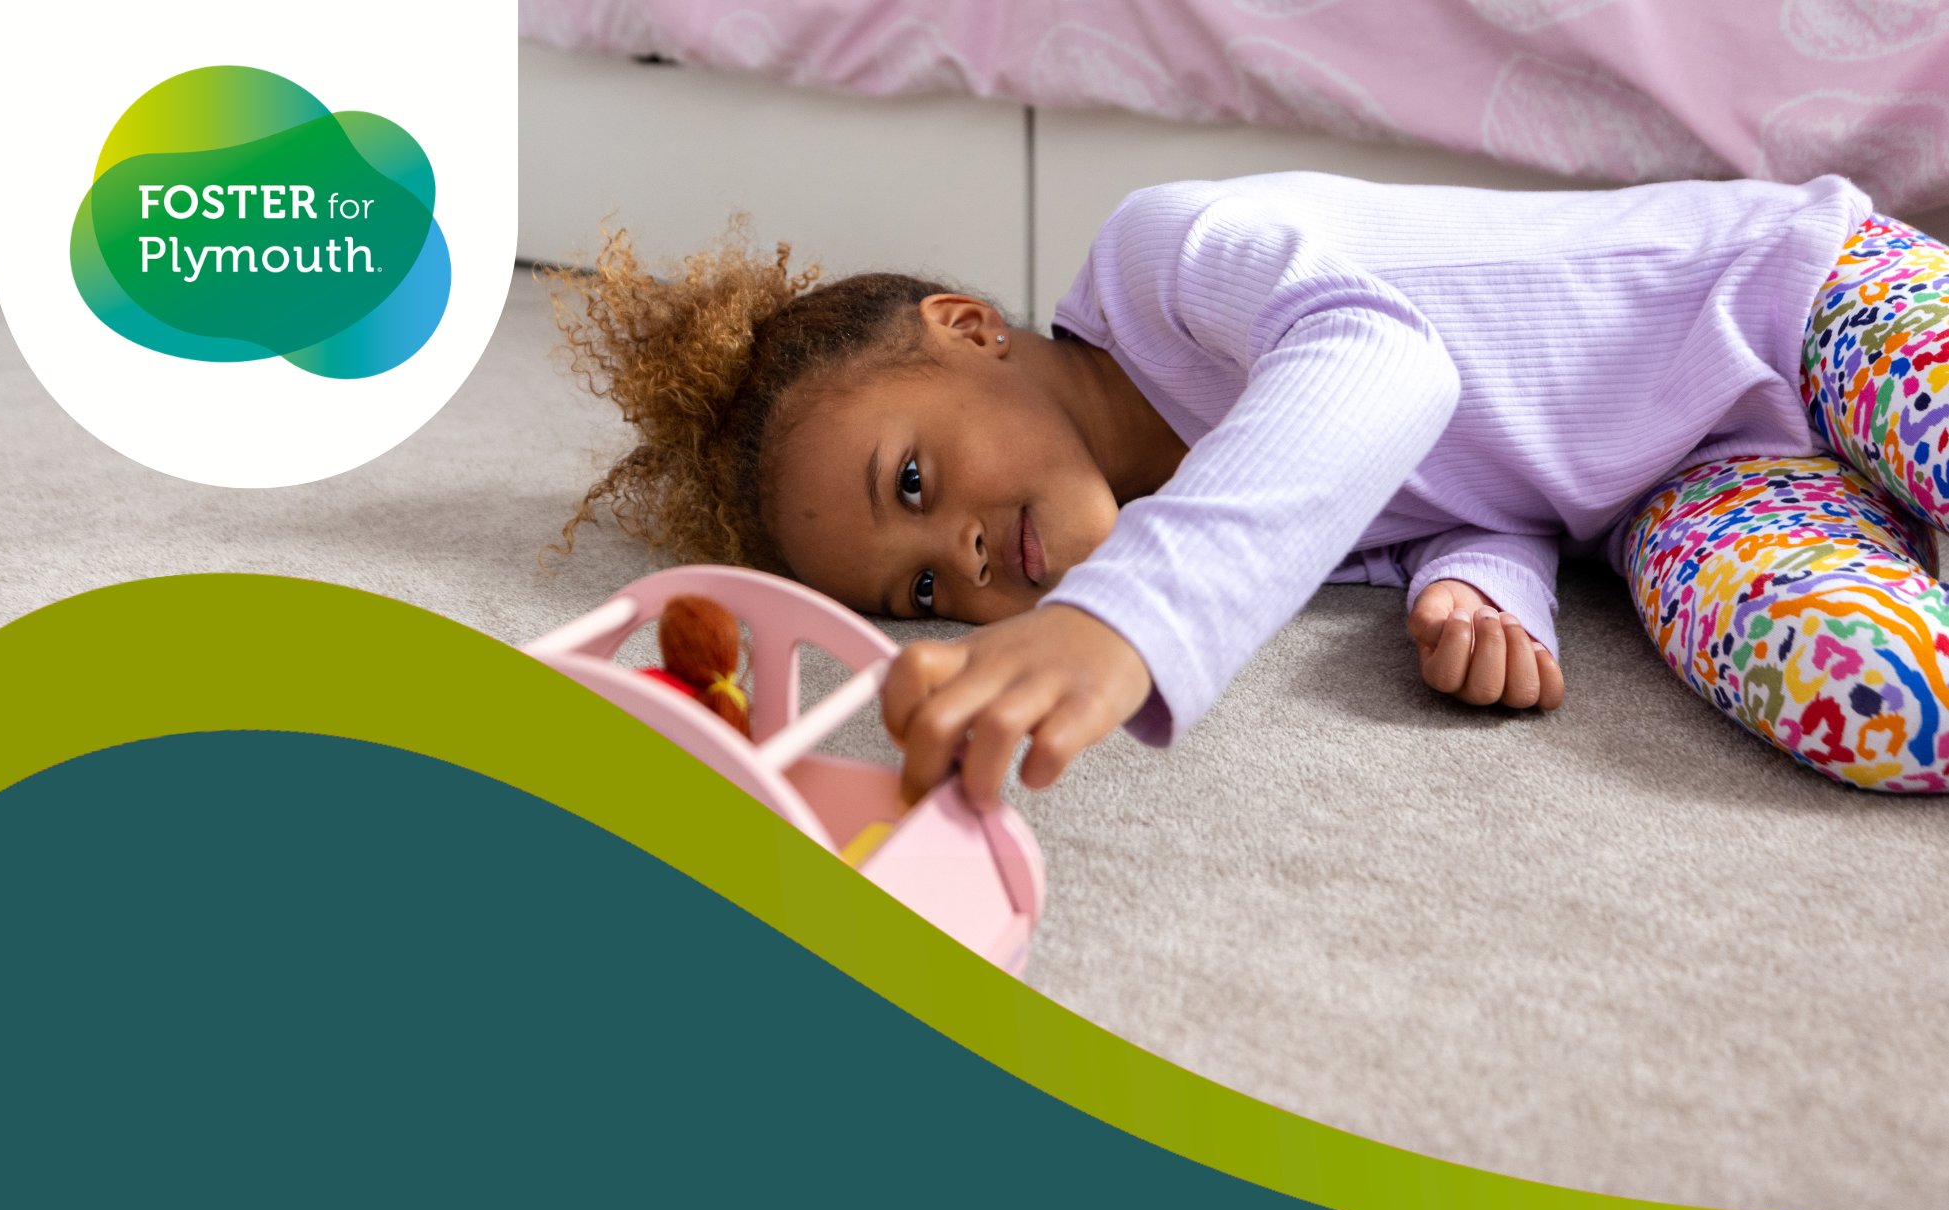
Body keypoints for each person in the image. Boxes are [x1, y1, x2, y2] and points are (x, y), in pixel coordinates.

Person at [553, 173, 1949, 801]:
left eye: (912, 477)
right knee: (1869, 695)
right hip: (1686, 489)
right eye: (918, 585)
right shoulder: (1200, 505)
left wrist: (1127, 622)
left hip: (1788, 296)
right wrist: (1481, 587)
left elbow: (1387, 367)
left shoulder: (1172, 255)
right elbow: (1467, 491)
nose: (965, 558)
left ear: (970, 328)